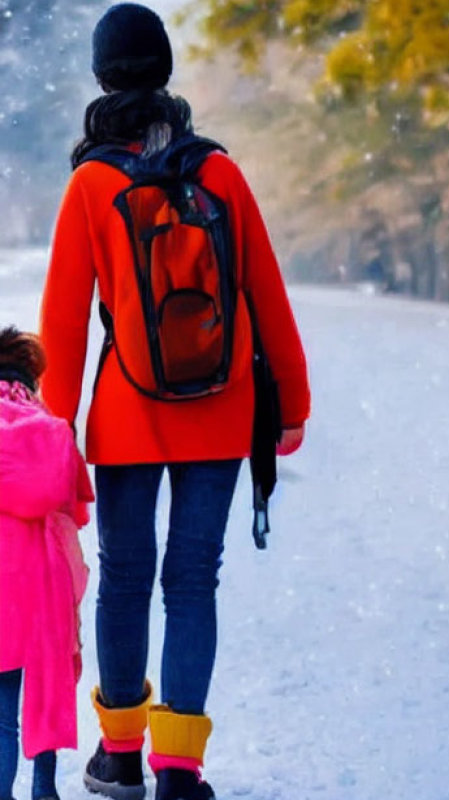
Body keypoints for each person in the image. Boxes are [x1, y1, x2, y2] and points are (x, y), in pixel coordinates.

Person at [38, 4, 311, 800]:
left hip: (126, 415)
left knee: (126, 577)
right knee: (194, 580)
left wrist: (57, 433)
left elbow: (61, 321)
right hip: (220, 407)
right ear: (164, 72)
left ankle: (119, 752)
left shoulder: (90, 184)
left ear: (102, 76)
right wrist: (289, 405)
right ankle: (180, 769)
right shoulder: (218, 172)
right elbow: (266, 295)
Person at [0, 326, 93, 800]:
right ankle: (43, 789)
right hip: (43, 581)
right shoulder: (50, 428)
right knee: (44, 694)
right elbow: (76, 506)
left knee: (0, 713)